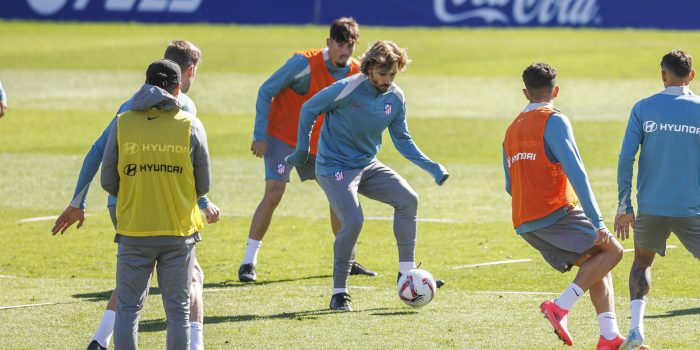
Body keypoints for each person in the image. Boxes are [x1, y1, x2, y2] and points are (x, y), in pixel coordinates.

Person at [51, 40, 217, 350]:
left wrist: (78, 201)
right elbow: (195, 173)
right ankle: (195, 344)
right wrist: (203, 202)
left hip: (126, 209)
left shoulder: (125, 111)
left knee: (133, 284)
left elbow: (97, 155)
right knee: (191, 279)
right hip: (172, 214)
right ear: (186, 75)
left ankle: (101, 338)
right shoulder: (186, 111)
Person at [286, 40, 449, 311]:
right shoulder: (347, 88)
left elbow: (402, 140)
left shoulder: (395, 97)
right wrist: (302, 150)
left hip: (367, 165)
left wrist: (432, 166)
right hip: (334, 167)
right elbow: (308, 109)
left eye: (393, 74)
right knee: (353, 220)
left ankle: (406, 275)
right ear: (369, 68)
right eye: (383, 74)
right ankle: (339, 292)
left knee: (408, 199)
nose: (388, 80)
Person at [241, 17, 376, 282]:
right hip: (284, 139)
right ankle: (248, 262)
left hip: (323, 146)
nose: (345, 52)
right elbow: (266, 91)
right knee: (274, 193)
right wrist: (259, 134)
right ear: (329, 43)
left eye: (350, 46)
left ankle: (347, 262)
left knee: (339, 199)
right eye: (340, 45)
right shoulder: (302, 64)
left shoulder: (359, 73)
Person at [502, 63, 625, 349]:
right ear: (556, 90)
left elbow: (510, 186)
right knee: (613, 251)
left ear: (525, 93)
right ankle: (560, 306)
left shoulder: (510, 131)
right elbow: (577, 173)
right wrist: (599, 223)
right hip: (554, 213)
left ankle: (609, 336)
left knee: (596, 265)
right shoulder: (554, 121)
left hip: (524, 222)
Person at [101, 58, 210, 350]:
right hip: (179, 231)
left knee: (128, 310)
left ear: (146, 85)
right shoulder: (191, 125)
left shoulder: (123, 123)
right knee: (178, 313)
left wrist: (137, 191)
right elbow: (204, 185)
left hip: (134, 229)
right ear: (178, 90)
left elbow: (108, 180)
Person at [615, 50, 700, 350]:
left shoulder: (643, 107)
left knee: (641, 262)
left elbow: (626, 158)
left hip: (651, 207)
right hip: (692, 208)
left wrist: (624, 206)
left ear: (663, 75)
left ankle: (636, 330)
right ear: (691, 75)